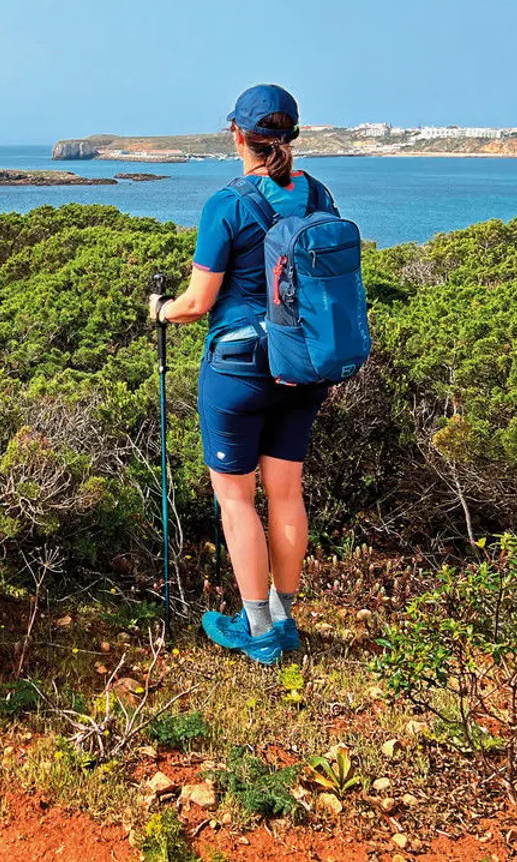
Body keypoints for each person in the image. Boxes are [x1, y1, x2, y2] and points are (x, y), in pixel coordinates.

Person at [147, 84, 336, 664]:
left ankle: (256, 631)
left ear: (238, 134)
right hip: (302, 365)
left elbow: (198, 302)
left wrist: (161, 310)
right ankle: (283, 617)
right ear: (292, 136)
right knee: (287, 494)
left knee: (236, 501)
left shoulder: (226, 204)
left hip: (239, 368)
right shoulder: (319, 196)